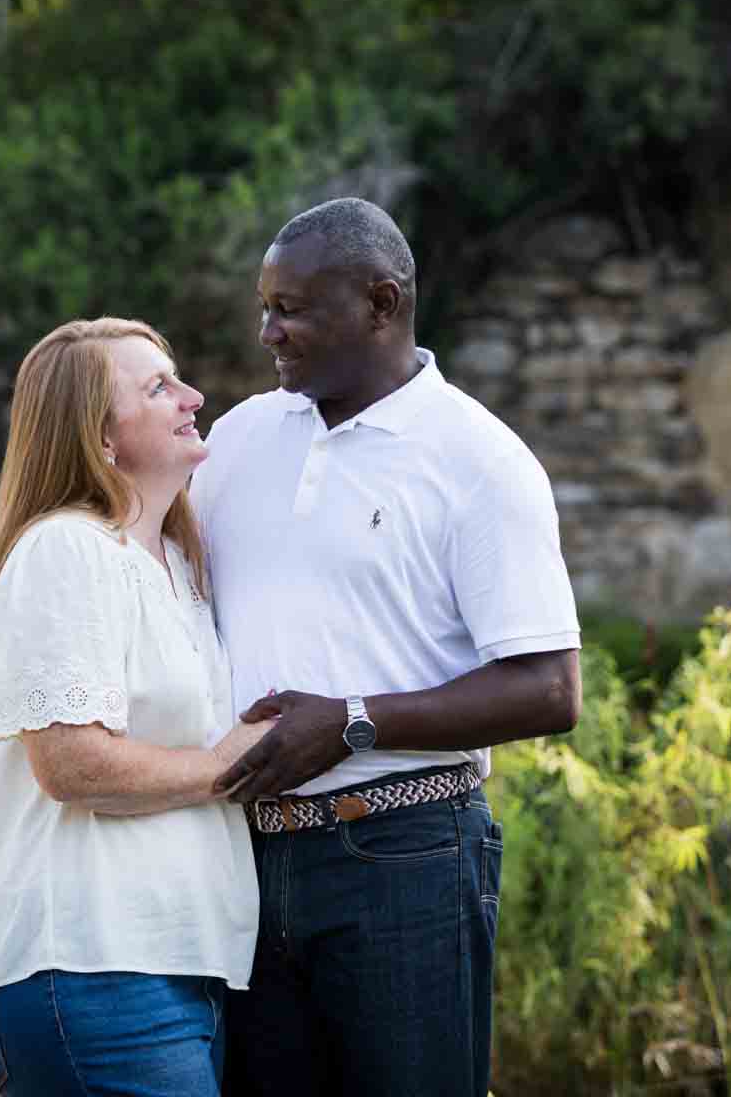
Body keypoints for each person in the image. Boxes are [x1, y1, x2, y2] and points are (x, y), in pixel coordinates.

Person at [189, 198, 583, 1097]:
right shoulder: (240, 439)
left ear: (381, 301)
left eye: (291, 308)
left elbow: (552, 690)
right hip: (240, 857)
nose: (268, 332)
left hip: (405, 857)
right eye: (265, 306)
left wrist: (354, 723)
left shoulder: (479, 460)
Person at [0, 317, 272, 1097]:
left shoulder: (179, 570)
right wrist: (232, 765)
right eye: (159, 387)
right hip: (87, 966)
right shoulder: (67, 550)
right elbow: (72, 764)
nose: (194, 397)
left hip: (170, 969)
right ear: (99, 437)